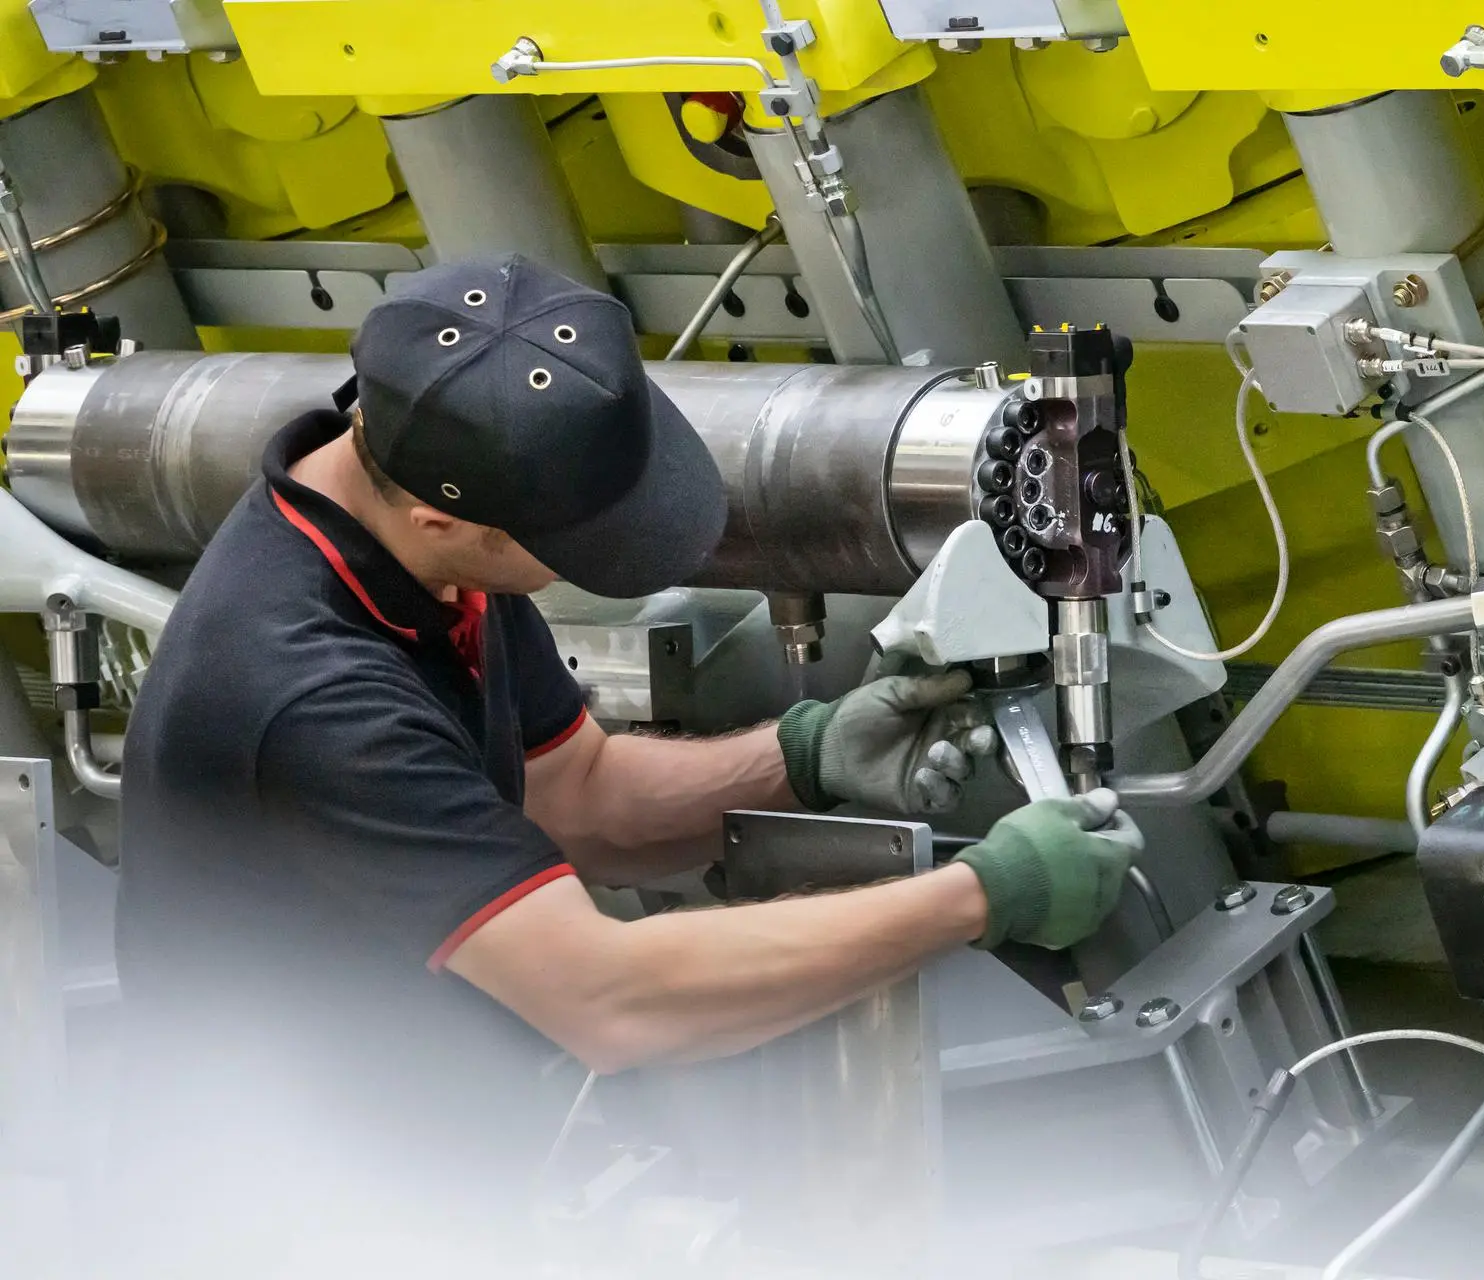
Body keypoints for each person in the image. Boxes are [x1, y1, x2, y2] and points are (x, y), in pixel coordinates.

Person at [107, 254, 1142, 1276]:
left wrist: (809, 751)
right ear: (443, 516)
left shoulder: (430, 521)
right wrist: (980, 895)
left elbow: (583, 798)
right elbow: (607, 997)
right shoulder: (312, 696)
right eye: (575, 541)